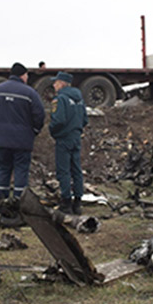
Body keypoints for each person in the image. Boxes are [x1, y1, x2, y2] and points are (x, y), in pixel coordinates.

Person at [0, 62, 45, 199]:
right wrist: (34, 130)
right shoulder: (30, 93)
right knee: (21, 170)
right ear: (23, 75)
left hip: (1, 139)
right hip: (22, 141)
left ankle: (0, 200)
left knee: (2, 170)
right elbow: (39, 115)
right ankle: (19, 201)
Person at [49, 71, 88, 215]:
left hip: (64, 138)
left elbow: (58, 120)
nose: (53, 85)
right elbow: (85, 119)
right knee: (76, 169)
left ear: (62, 84)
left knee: (63, 170)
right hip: (76, 137)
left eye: (55, 82)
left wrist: (52, 131)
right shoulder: (79, 98)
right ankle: (77, 203)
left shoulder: (60, 99)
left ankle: (66, 203)